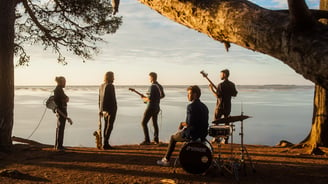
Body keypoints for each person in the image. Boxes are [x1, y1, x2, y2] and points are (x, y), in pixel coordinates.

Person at [157, 85, 209, 166]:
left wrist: (181, 124)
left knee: (173, 138)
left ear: (195, 94)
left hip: (193, 134)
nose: (187, 96)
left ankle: (166, 160)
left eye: (189, 94)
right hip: (202, 134)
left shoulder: (191, 106)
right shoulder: (204, 107)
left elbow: (189, 123)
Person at [209, 69, 237, 143]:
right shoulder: (232, 84)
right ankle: (226, 139)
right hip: (228, 106)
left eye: (221, 74)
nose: (220, 76)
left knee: (216, 122)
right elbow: (234, 94)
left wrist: (211, 89)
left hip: (220, 106)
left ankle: (215, 138)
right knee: (226, 123)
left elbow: (217, 96)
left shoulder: (220, 85)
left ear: (224, 75)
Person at [140, 72, 165, 145]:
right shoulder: (159, 86)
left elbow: (149, 99)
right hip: (157, 107)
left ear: (152, 78)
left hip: (150, 107)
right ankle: (156, 140)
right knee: (154, 123)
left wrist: (144, 98)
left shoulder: (152, 86)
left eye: (149, 77)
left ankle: (147, 140)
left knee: (143, 123)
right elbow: (163, 95)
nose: (149, 79)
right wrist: (156, 99)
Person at [99, 71, 117, 150]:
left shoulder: (101, 86)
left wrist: (101, 109)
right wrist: (114, 108)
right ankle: (106, 143)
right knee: (109, 126)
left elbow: (100, 99)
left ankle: (104, 143)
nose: (114, 78)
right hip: (111, 109)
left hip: (104, 109)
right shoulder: (110, 86)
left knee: (106, 125)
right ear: (110, 77)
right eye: (113, 76)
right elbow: (112, 99)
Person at [54, 76, 70, 151]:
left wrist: (66, 99)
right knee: (60, 128)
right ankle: (59, 146)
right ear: (61, 82)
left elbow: (65, 98)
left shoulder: (59, 89)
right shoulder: (58, 90)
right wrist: (66, 99)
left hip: (60, 111)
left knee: (59, 128)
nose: (65, 83)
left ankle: (58, 145)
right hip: (61, 111)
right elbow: (65, 99)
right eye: (64, 82)